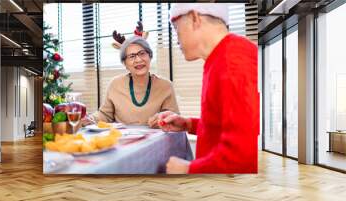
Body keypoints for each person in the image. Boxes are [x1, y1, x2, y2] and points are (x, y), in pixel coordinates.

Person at [158, 3, 259, 174]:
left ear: (195, 18)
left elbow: (241, 157)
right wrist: (188, 124)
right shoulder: (218, 58)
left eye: (176, 28)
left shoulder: (234, 60)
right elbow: (224, 126)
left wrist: (187, 168)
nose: (176, 39)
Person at [82, 22, 179, 127]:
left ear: (150, 56)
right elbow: (105, 114)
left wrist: (163, 119)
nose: (138, 60)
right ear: (125, 64)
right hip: (123, 140)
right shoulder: (115, 84)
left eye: (142, 53)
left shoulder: (165, 86)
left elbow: (174, 119)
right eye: (132, 56)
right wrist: (90, 119)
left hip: (155, 141)